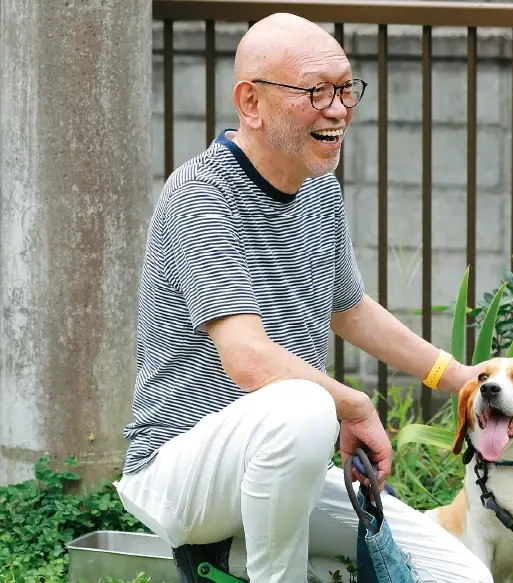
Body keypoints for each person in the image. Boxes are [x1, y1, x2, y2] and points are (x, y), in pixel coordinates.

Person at [115, 11, 493, 583]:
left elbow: (350, 308)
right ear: (251, 102)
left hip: (285, 465)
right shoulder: (201, 196)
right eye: (315, 92)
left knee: (460, 576)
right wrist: (354, 404)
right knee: (304, 404)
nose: (338, 109)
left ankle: (244, 563)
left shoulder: (319, 188)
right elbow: (249, 359)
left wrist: (457, 376)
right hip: (181, 469)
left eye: (345, 89)